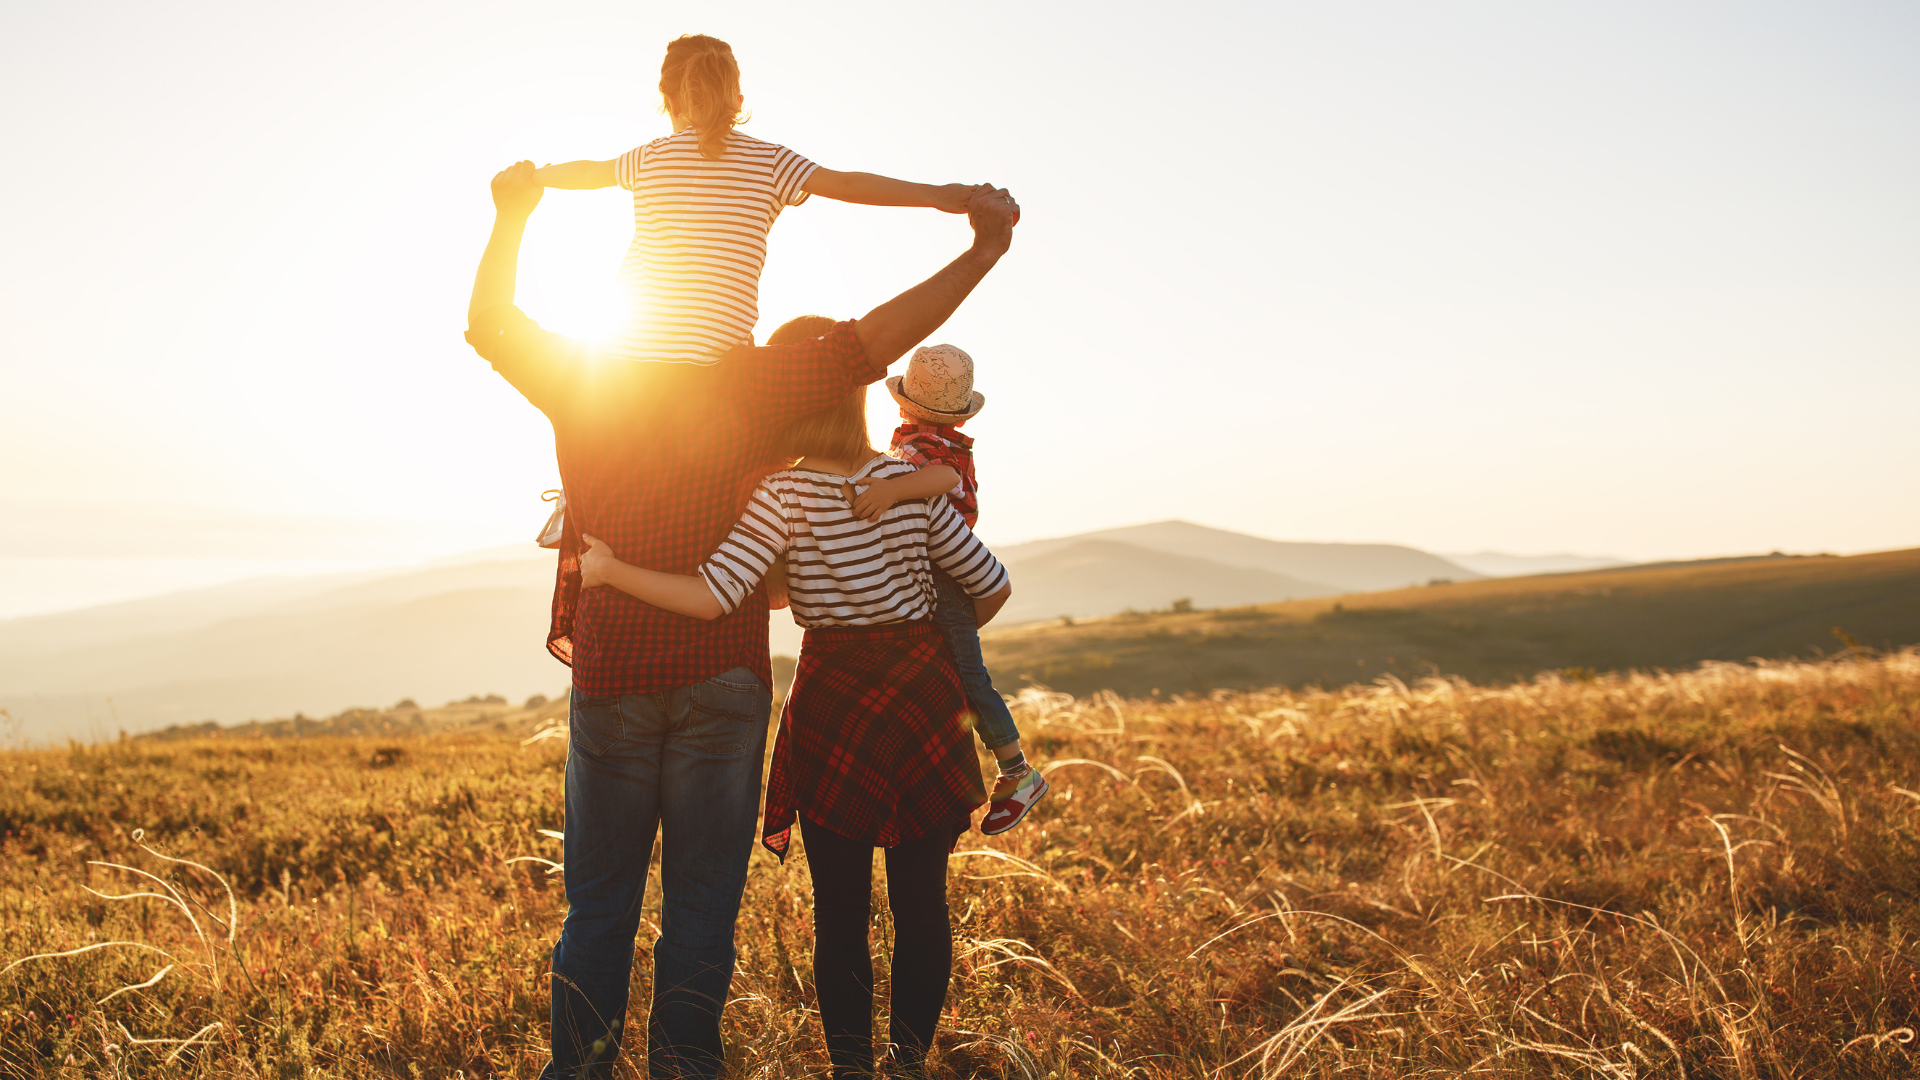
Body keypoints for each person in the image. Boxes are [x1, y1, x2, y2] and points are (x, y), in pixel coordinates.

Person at [465, 159, 1018, 1079]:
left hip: (614, 674)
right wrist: (982, 248)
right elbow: (875, 342)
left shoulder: (582, 375)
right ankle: (688, 1065)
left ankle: (582, 1070)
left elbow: (489, 323)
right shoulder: (757, 387)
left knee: (599, 902)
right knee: (702, 901)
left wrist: (514, 214)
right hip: (724, 678)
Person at [576, 377, 1012, 1080]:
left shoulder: (782, 494)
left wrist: (609, 570)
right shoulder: (910, 483)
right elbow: (990, 583)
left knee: (840, 908)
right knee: (921, 898)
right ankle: (907, 1065)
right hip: (923, 694)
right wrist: (926, 643)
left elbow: (713, 597)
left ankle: (851, 1071)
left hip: (835, 698)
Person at [534, 33, 986, 366]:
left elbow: (586, 172)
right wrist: (939, 196)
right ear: (737, 99)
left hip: (625, 354)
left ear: (667, 100)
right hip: (718, 359)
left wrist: (533, 176)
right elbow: (849, 185)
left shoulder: (649, 157)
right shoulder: (771, 161)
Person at [843, 344, 1048, 833]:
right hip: (934, 570)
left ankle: (1017, 770)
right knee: (947, 671)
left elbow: (943, 478)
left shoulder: (930, 449)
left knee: (967, 674)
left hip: (943, 572)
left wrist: (890, 491)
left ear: (903, 402)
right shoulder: (927, 439)